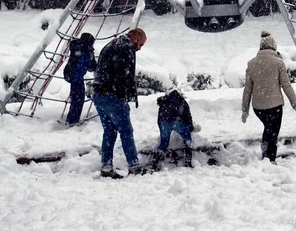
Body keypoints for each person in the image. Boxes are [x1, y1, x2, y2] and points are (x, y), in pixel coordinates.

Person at [92, 28, 147, 179]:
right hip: (112, 96)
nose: (139, 48)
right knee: (126, 131)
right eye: (140, 44)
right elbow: (121, 74)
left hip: (98, 94)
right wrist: (122, 95)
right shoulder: (125, 48)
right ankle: (134, 166)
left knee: (109, 131)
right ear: (135, 37)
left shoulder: (112, 44)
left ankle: (106, 166)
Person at [241, 31, 296, 163]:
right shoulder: (278, 63)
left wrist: (245, 109)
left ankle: (265, 150)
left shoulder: (251, 63)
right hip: (275, 105)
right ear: (274, 47)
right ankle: (270, 158)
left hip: (258, 107)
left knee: (268, 127)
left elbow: (248, 89)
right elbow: (286, 86)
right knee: (273, 132)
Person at [151, 89, 199, 170]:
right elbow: (188, 117)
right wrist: (190, 128)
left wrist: (161, 128)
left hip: (164, 122)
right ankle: (188, 161)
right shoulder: (181, 101)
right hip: (176, 121)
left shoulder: (164, 101)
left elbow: (159, 118)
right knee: (187, 138)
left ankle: (154, 164)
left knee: (164, 143)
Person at [63, 32, 97, 126]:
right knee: (79, 99)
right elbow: (91, 66)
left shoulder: (76, 45)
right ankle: (73, 121)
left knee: (74, 98)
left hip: (70, 73)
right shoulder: (87, 49)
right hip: (77, 76)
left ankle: (71, 118)